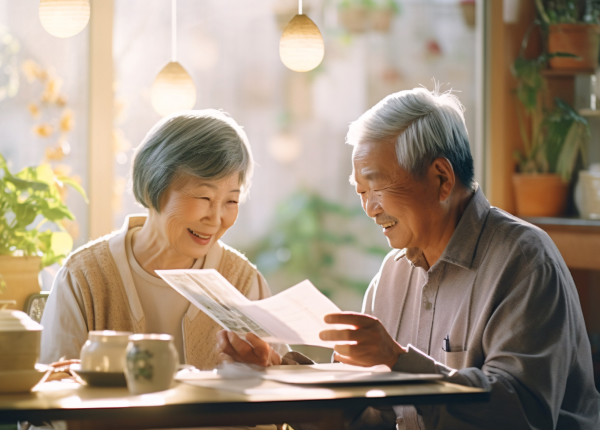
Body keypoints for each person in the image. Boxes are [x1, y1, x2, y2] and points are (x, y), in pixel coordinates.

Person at [217, 87, 600, 429]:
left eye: (377, 185)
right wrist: (279, 376)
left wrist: (399, 361)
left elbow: (523, 414)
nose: (369, 208)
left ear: (441, 179)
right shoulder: (392, 276)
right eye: (360, 191)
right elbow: (362, 419)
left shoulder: (525, 261)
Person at [41, 109, 286, 370]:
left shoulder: (244, 283)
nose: (215, 219)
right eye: (204, 198)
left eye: (231, 201)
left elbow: (286, 382)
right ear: (152, 187)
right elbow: (55, 389)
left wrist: (265, 367)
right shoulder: (83, 277)